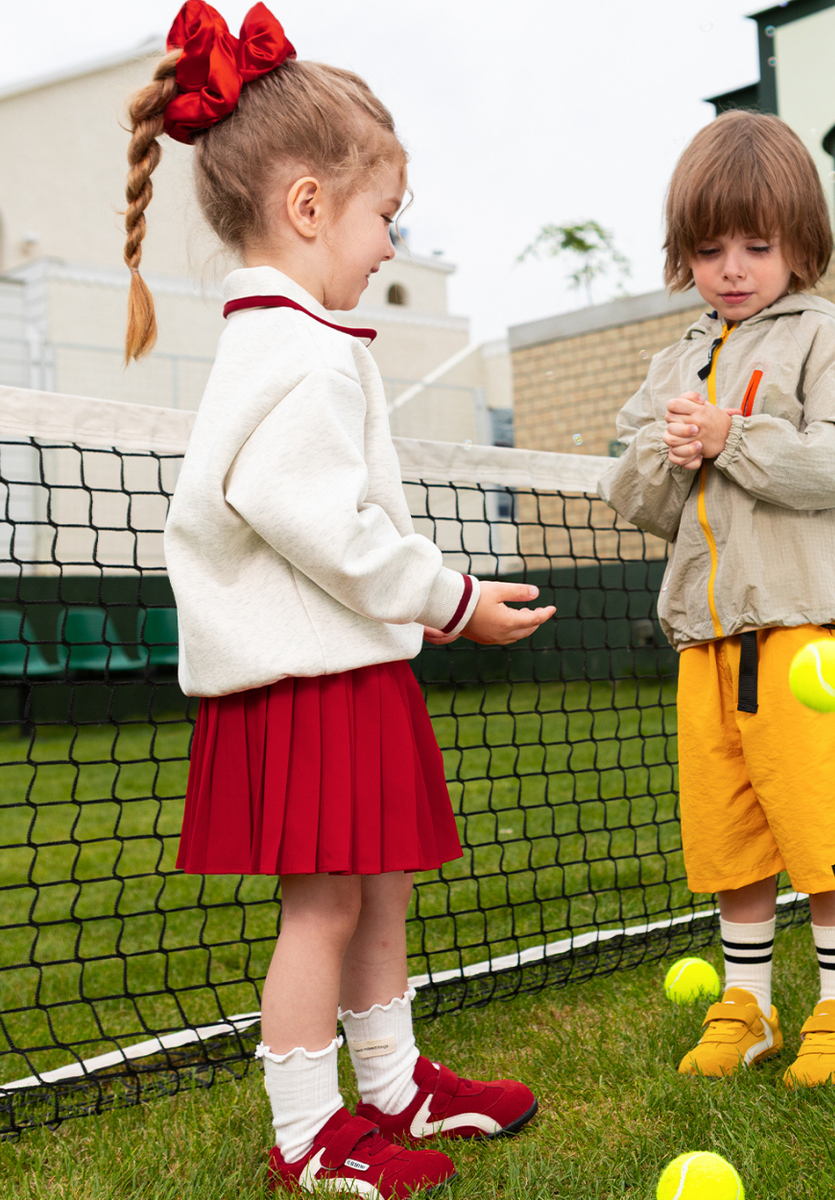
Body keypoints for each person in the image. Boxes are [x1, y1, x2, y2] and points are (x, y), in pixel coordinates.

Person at [130, 4, 555, 1193]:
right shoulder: (306, 353)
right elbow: (316, 517)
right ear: (310, 206)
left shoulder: (302, 339)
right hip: (309, 682)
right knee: (323, 911)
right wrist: (452, 598)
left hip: (345, 671)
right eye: (385, 217)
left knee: (378, 894)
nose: (388, 244)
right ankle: (309, 1135)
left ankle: (395, 1085)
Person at [600, 109, 835, 1088]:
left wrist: (733, 439)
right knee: (734, 838)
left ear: (801, 245)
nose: (732, 266)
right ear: (683, 254)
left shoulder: (826, 336)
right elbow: (634, 495)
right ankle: (749, 1008)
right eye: (709, 248)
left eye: (756, 244)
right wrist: (671, 444)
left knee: (829, 833)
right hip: (709, 639)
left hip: (807, 643)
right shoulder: (676, 360)